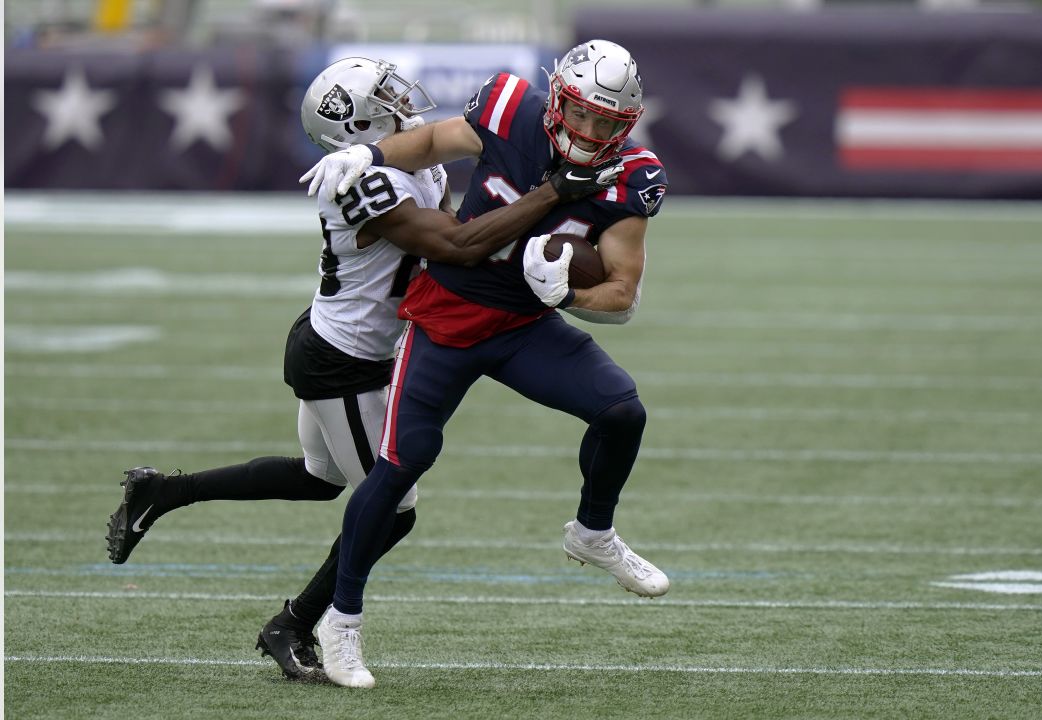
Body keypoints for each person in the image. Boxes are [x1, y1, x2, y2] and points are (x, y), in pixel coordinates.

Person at [103, 56, 625, 681]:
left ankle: (161, 492)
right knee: (394, 507)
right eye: (382, 95)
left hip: (344, 339)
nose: (400, 99)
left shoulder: (396, 159)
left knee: (322, 479)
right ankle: (295, 623)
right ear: (355, 121)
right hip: (347, 358)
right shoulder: (357, 183)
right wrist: (553, 192)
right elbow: (457, 245)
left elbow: (453, 164)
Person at [302, 40, 670, 689]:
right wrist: (370, 152)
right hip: (447, 315)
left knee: (621, 409)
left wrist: (570, 294)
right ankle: (342, 621)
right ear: (557, 100)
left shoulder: (632, 176)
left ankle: (593, 532)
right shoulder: (508, 107)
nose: (591, 132)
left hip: (526, 322)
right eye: (583, 115)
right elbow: (433, 140)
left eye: (609, 123)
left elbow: (622, 293)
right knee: (401, 463)